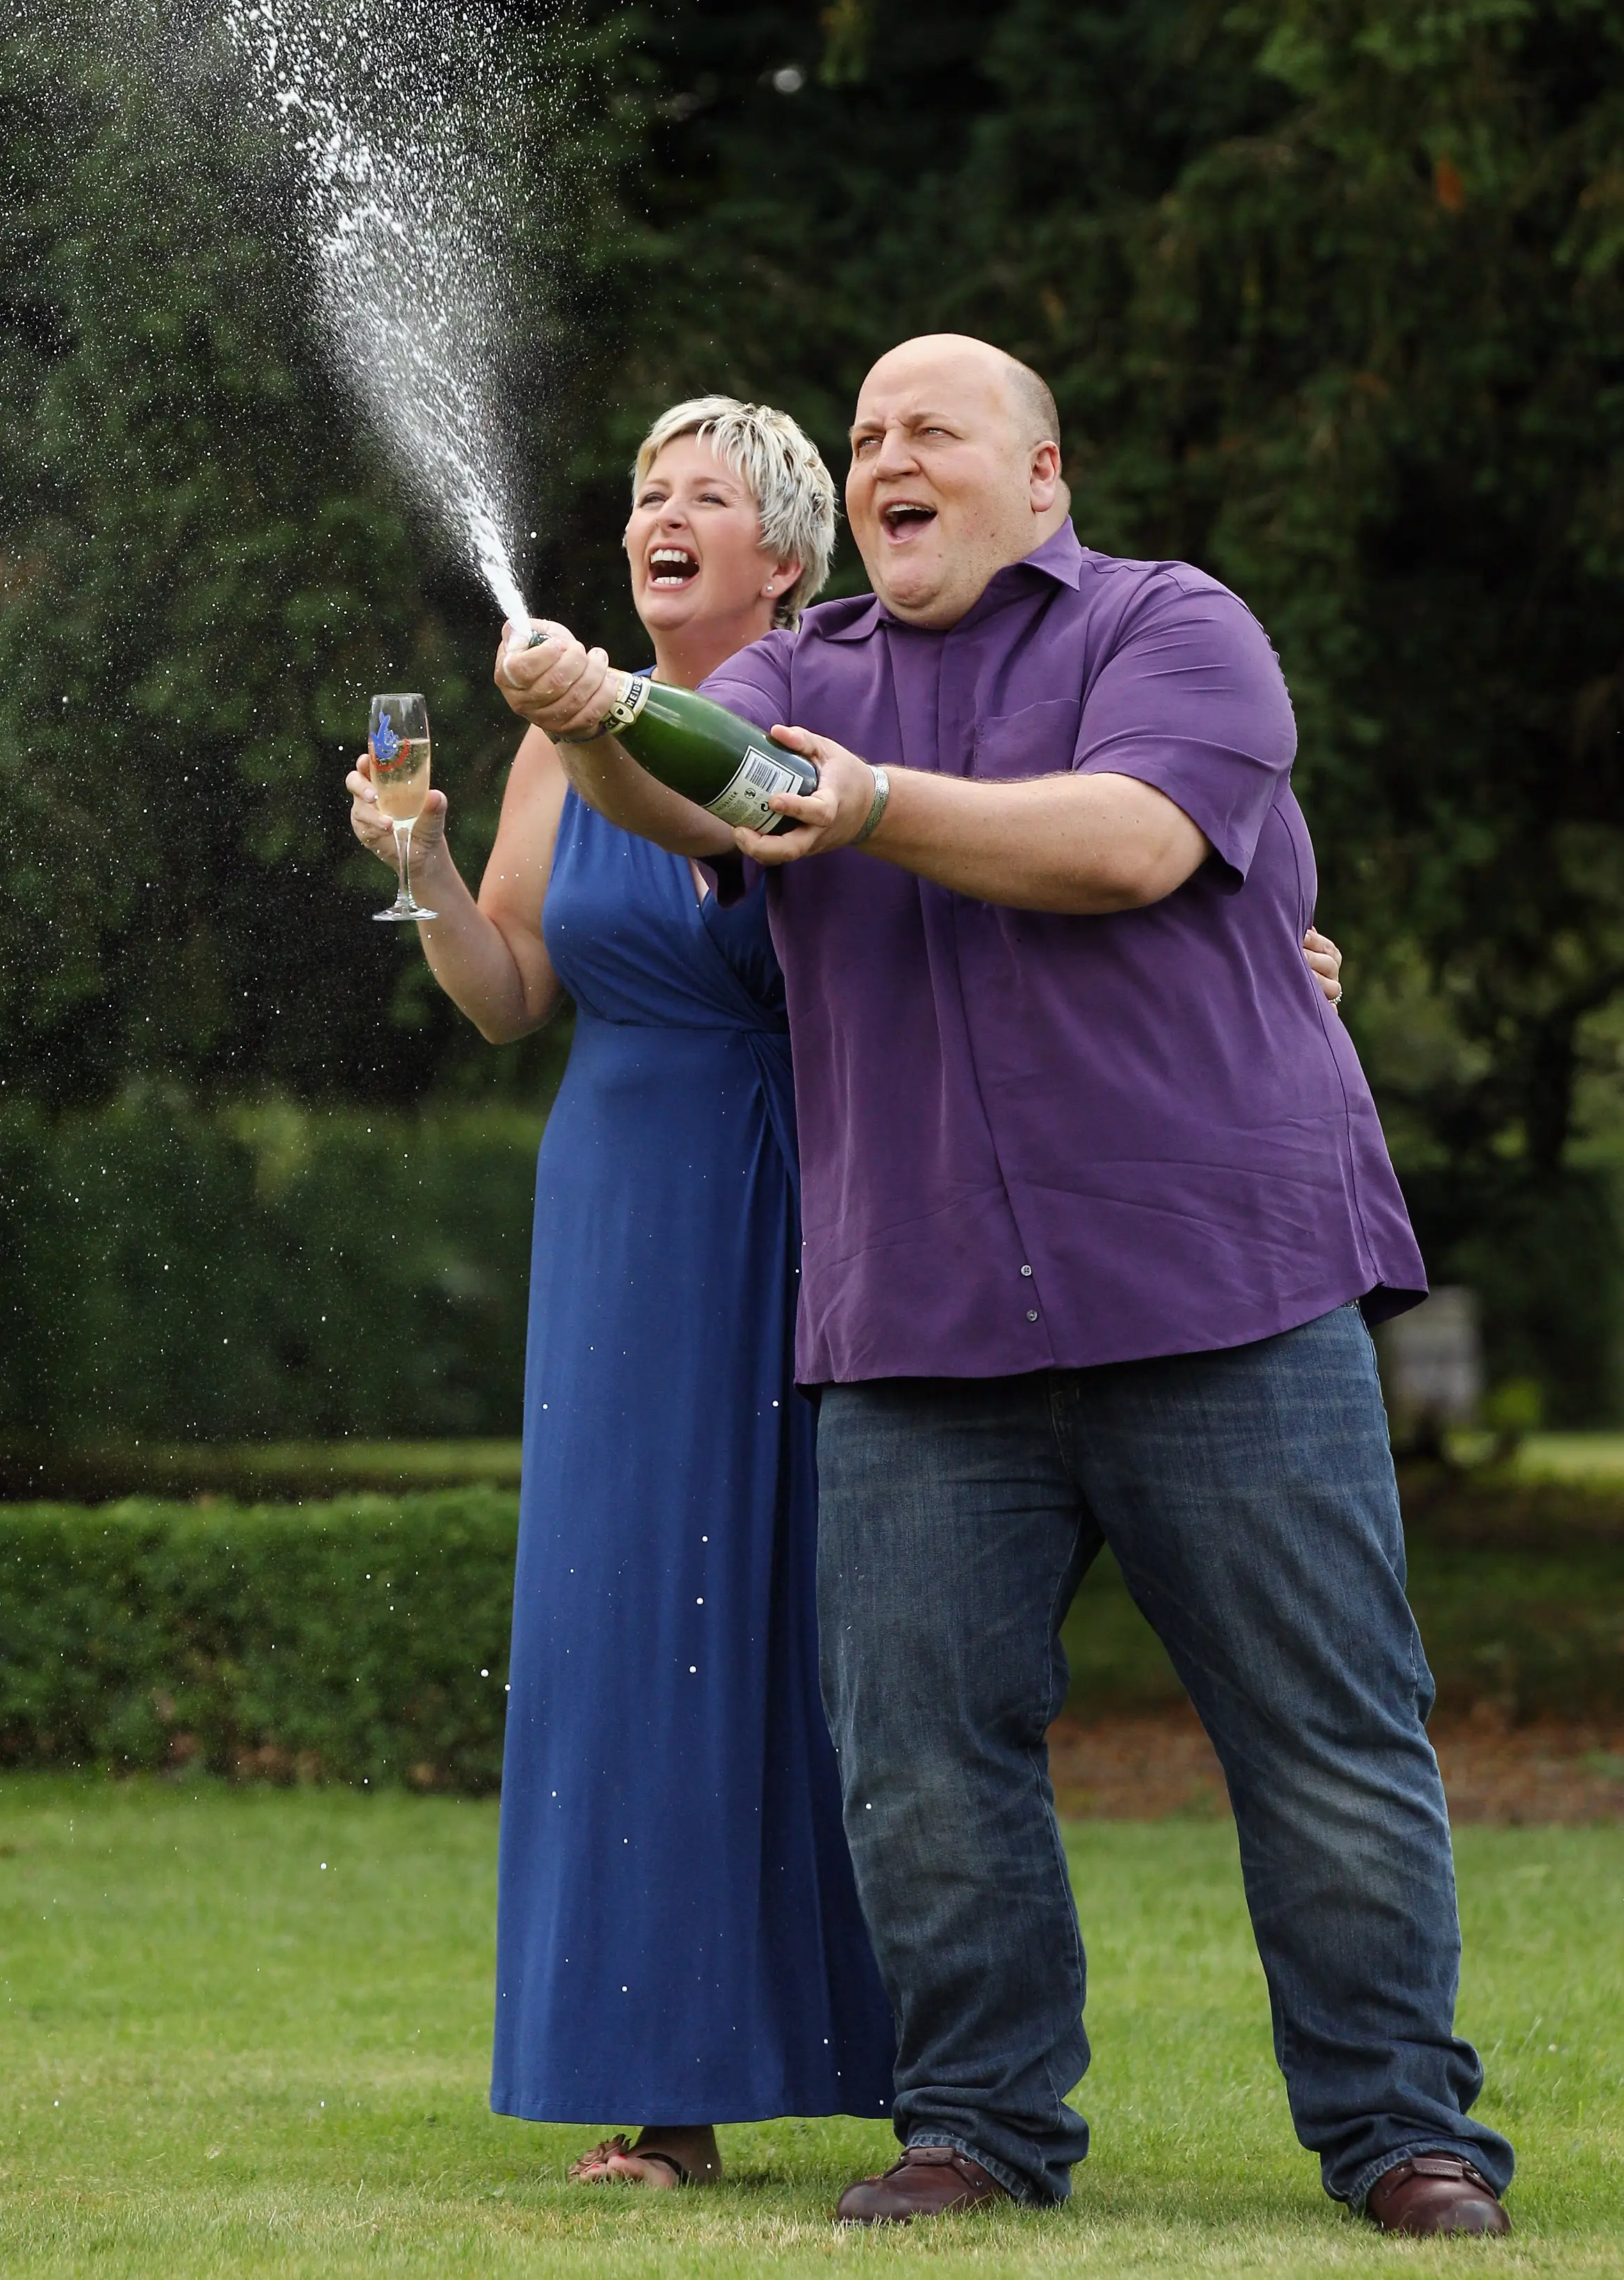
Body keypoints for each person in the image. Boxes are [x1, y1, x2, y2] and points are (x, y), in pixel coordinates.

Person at [493, 334, 1515, 2240]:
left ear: (1037, 475)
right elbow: (705, 797)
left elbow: (1129, 839)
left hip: (1217, 1290)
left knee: (1322, 1734)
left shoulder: (1170, 624)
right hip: (920, 1314)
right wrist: (594, 717)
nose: (885, 455)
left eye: (926, 431)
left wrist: (872, 802)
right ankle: (973, 2126)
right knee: (921, 1759)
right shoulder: (795, 670)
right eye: (866, 434)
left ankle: (1397, 2134)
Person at [348, 397, 897, 2187]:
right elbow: (513, 992)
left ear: (785, 563)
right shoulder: (546, 751)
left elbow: (716, 832)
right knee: (618, 1624)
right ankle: (657, 2087)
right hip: (613, 1195)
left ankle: (909, 2066)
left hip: (788, 1183)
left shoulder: (820, 719)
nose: (661, 514)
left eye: (707, 498)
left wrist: (596, 724)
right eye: (649, 492)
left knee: (794, 1618)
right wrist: (423, 865)